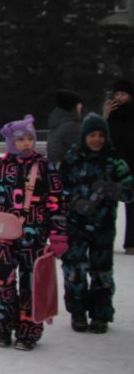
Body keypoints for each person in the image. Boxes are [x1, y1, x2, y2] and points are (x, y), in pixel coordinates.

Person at [0, 115, 67, 350]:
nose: (26, 143)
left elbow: (56, 200)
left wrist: (58, 233)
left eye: (29, 139)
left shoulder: (44, 167)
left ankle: (28, 331)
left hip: (34, 235)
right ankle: (2, 327)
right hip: (5, 234)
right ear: (12, 142)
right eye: (21, 139)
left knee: (32, 283)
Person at [58, 114, 133, 334]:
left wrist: (115, 190)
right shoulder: (71, 159)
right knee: (75, 271)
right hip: (75, 226)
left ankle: (101, 315)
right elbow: (56, 190)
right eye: (92, 135)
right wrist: (74, 202)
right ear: (84, 136)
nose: (97, 139)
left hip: (103, 227)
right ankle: (78, 312)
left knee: (102, 273)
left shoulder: (114, 161)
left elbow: (130, 190)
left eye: (101, 135)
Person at [104, 79, 134, 253]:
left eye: (123, 94)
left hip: (132, 165)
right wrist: (106, 114)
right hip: (112, 166)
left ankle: (131, 242)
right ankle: (103, 241)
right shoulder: (111, 115)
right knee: (107, 205)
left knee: (132, 204)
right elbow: (98, 135)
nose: (120, 98)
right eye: (117, 94)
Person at [47, 89, 83, 167]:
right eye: (79, 105)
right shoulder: (71, 127)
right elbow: (82, 151)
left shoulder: (57, 124)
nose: (81, 108)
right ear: (73, 107)